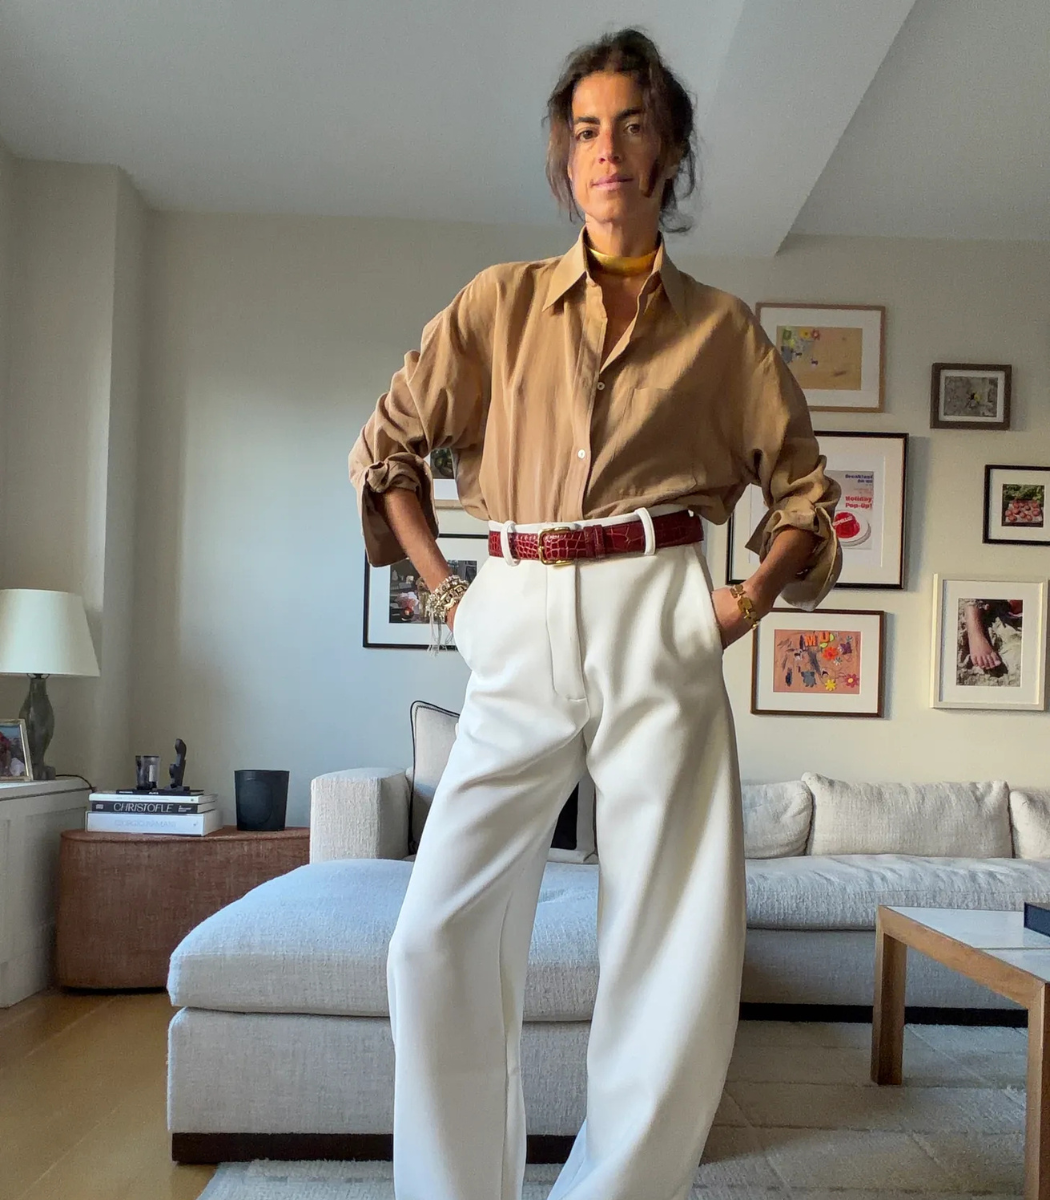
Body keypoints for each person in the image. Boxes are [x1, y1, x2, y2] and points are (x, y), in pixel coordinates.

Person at [349, 28, 841, 1200]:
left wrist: (740, 602)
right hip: (512, 608)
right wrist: (450, 595)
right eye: (584, 130)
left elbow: (808, 496)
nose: (607, 148)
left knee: (672, 947)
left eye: (630, 125)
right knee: (434, 935)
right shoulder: (498, 304)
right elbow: (387, 451)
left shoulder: (723, 332)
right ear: (564, 161)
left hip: (659, 609)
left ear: (668, 151)